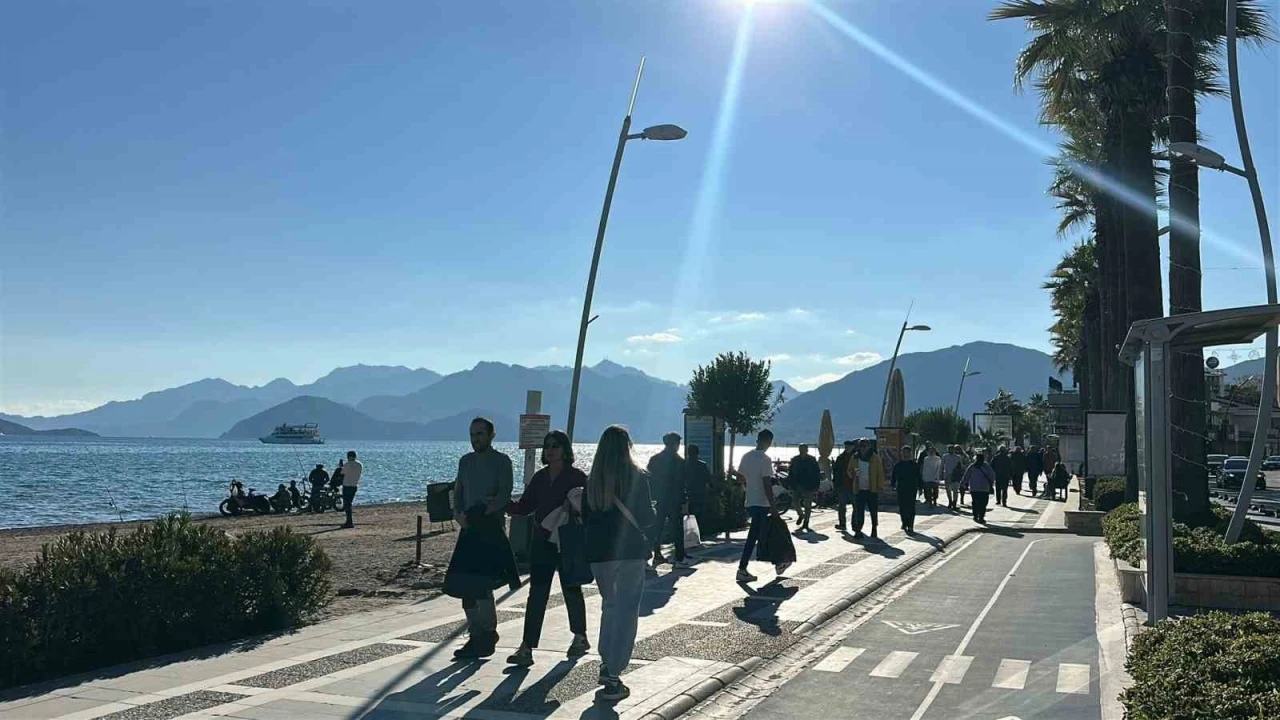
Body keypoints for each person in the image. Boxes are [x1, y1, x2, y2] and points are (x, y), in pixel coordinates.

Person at [582, 425, 656, 703]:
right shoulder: (636, 476)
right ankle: (613, 675)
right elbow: (646, 518)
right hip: (629, 552)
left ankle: (605, 661)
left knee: (610, 606)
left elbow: (586, 517)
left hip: (599, 555)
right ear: (627, 446)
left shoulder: (593, 481)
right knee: (626, 612)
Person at [504, 430, 589, 667]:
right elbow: (524, 507)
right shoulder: (540, 478)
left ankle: (580, 636)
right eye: (547, 446)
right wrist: (503, 503)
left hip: (568, 541)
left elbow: (587, 509)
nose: (550, 450)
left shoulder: (577, 477)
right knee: (537, 593)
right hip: (542, 540)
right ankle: (526, 647)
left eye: (555, 446)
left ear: (565, 449)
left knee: (571, 588)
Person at [449, 417, 516, 660]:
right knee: (464, 585)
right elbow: (458, 492)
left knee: (483, 586)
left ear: (491, 435)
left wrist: (485, 511)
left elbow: (504, 493)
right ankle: (475, 633)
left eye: (479, 434)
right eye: (472, 434)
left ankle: (488, 633)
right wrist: (458, 515)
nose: (475, 438)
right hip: (468, 528)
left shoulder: (502, 461)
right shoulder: (465, 461)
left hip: (490, 529)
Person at [736, 430, 782, 582]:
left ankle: (777, 562)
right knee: (760, 535)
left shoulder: (746, 456)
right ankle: (743, 568)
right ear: (768, 441)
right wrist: (773, 505)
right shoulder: (765, 459)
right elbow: (767, 484)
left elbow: (739, 477)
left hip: (750, 501)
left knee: (759, 534)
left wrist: (748, 487)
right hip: (762, 503)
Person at [647, 432, 688, 569]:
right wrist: (684, 500)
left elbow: (649, 479)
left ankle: (656, 554)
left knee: (657, 527)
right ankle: (679, 558)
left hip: (659, 498)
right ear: (675, 444)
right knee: (677, 529)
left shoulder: (655, 459)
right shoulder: (679, 461)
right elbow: (682, 482)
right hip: (674, 500)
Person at [848, 438, 886, 539]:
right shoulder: (855, 457)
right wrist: (852, 473)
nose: (863, 448)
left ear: (869, 446)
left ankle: (874, 528)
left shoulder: (875, 457)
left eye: (865, 446)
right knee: (859, 511)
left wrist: (880, 486)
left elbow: (880, 472)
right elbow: (849, 470)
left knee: (873, 510)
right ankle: (858, 530)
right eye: (861, 446)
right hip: (859, 489)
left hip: (872, 489)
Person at [789, 444, 821, 533]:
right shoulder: (795, 459)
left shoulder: (812, 459)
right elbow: (791, 472)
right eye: (800, 449)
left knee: (808, 505)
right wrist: (790, 483)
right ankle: (801, 515)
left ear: (807, 450)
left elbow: (816, 473)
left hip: (809, 484)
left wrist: (816, 485)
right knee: (795, 502)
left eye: (803, 449)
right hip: (797, 484)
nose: (801, 450)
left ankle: (806, 522)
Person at [684, 445, 711, 538]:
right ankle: (698, 533)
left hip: (688, 494)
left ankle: (689, 533)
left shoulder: (684, 465)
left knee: (689, 514)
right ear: (697, 453)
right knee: (699, 515)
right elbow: (708, 479)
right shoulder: (702, 465)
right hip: (700, 493)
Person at [893, 445, 921, 533]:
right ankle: (904, 522)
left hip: (911, 488)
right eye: (903, 452)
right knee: (902, 507)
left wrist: (921, 487)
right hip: (901, 488)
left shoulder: (914, 465)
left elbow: (919, 476)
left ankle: (910, 525)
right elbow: (894, 476)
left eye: (907, 453)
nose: (905, 454)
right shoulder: (898, 465)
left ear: (910, 454)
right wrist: (893, 485)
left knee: (911, 507)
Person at [963, 452, 996, 524]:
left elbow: (966, 476)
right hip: (984, 488)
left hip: (974, 488)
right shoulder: (986, 466)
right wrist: (991, 483)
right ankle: (981, 517)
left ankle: (976, 515)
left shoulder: (972, 466)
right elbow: (992, 475)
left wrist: (965, 483)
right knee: (983, 503)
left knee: (975, 502)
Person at [833, 440, 858, 532]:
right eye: (846, 446)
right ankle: (842, 524)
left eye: (849, 446)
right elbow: (836, 472)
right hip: (842, 485)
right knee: (841, 506)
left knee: (856, 506)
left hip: (854, 485)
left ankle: (854, 524)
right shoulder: (840, 457)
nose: (847, 448)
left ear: (853, 447)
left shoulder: (857, 457)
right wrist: (835, 484)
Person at [340, 451, 362, 528]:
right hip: (354, 485)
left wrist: (341, 467)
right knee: (349, 503)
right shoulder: (359, 464)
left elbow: (342, 473)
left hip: (346, 485)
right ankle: (349, 521)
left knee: (347, 504)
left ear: (349, 457)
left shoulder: (347, 464)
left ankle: (349, 522)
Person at [941, 445, 964, 511]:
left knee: (955, 490)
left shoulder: (958, 457)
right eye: (949, 449)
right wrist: (941, 473)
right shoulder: (945, 456)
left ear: (954, 450)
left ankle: (954, 503)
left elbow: (961, 466)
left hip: (955, 476)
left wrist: (960, 473)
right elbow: (942, 465)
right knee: (948, 489)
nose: (950, 450)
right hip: (947, 475)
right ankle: (950, 501)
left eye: (951, 449)